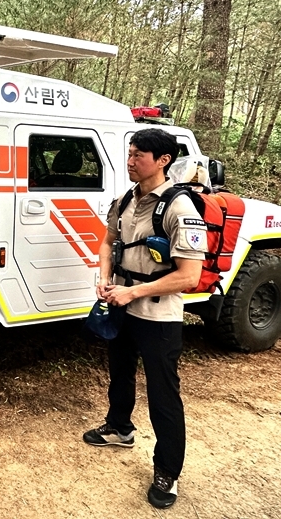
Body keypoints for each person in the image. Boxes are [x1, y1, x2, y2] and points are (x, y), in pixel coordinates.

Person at [83, 128, 207, 510]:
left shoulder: (179, 209)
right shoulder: (124, 200)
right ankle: (119, 428)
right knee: (119, 373)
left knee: (162, 394)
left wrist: (132, 292)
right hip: (121, 305)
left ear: (163, 160)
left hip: (157, 315)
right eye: (130, 153)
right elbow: (107, 242)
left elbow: (189, 276)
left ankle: (168, 471)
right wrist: (105, 277)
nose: (130, 161)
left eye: (139, 155)